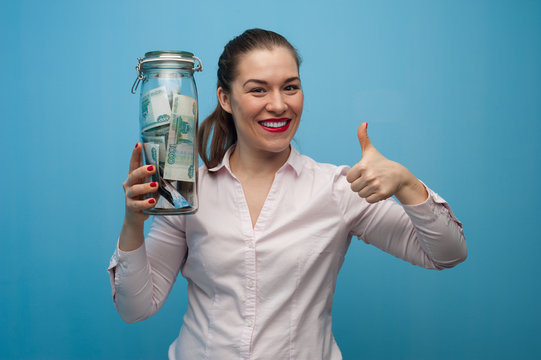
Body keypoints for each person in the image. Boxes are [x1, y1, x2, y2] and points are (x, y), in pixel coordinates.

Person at [108, 28, 467, 360]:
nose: (279, 105)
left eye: (290, 87)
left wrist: (407, 184)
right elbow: (135, 308)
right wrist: (133, 223)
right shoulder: (188, 193)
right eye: (258, 89)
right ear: (226, 98)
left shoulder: (337, 189)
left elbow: (447, 254)